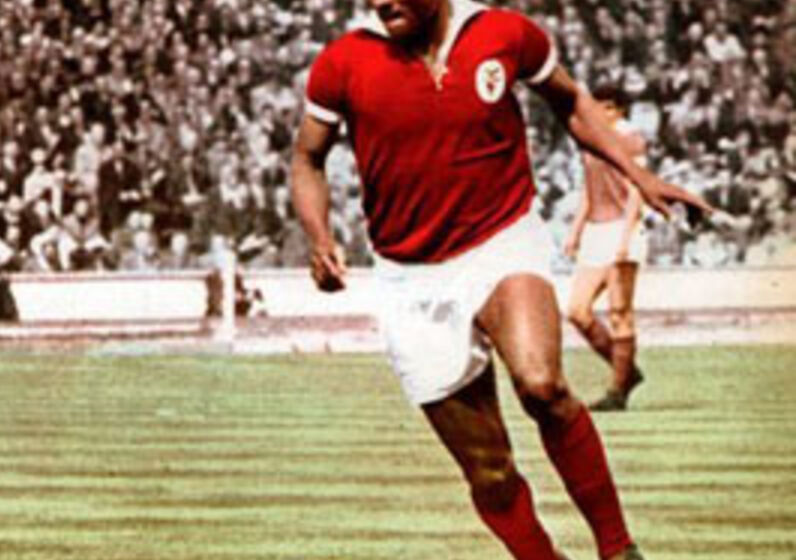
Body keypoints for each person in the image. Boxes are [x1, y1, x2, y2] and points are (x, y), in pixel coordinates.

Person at [290, 2, 711, 560]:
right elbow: (307, 158)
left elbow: (571, 103)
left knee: (542, 385)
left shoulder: (502, 32)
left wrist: (638, 174)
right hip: (410, 277)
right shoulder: (343, 61)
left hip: (501, 237)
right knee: (489, 471)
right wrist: (319, 237)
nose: (383, 1)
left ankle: (618, 549)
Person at [564, 85, 649, 411]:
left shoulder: (630, 139)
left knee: (619, 311)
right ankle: (626, 371)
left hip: (622, 227)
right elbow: (589, 189)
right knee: (577, 310)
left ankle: (617, 391)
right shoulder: (590, 138)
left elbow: (637, 189)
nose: (597, 112)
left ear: (617, 110)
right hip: (597, 229)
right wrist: (575, 231)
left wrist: (626, 237)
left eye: (604, 107)